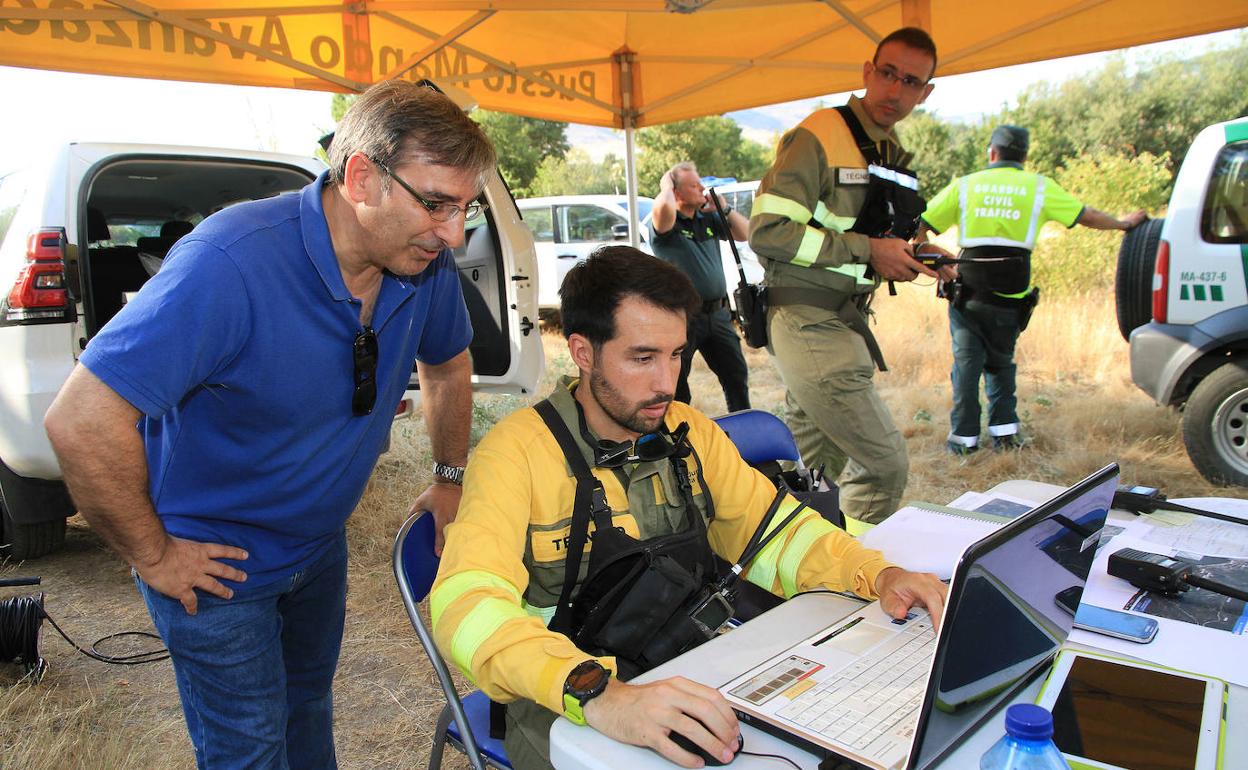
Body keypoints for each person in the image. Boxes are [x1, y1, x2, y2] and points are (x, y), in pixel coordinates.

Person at [43, 80, 493, 769]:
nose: (453, 233)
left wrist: (449, 477)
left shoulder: (419, 263)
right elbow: (81, 418)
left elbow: (450, 363)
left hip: (317, 548)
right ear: (363, 177)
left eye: (466, 208)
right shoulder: (230, 262)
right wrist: (155, 555)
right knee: (248, 750)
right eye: (436, 203)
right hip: (218, 570)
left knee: (307, 708)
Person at [430, 246, 947, 770]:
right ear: (583, 352)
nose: (666, 384)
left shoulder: (688, 432)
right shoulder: (515, 453)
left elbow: (779, 536)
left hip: (692, 662)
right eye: (643, 357)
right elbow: (464, 608)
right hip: (564, 698)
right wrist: (599, 693)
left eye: (676, 354)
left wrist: (878, 575)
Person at [748, 27, 951, 534]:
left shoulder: (889, 148)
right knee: (883, 465)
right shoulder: (820, 134)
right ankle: (844, 571)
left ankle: (769, 564)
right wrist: (869, 251)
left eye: (911, 82)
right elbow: (767, 232)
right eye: (888, 74)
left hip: (842, 323)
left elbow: (885, 226)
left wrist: (924, 252)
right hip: (808, 321)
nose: (895, 90)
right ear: (868, 72)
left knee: (801, 475)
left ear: (925, 93)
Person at [918, 125, 1147, 454]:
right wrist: (1123, 223)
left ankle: (963, 440)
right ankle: (1005, 436)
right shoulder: (1039, 187)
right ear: (1024, 157)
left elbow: (920, 226)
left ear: (991, 153)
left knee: (966, 365)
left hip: (967, 293)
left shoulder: (966, 185)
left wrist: (936, 261)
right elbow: (1087, 216)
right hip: (1011, 294)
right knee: (1001, 363)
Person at [650, 162, 752, 412]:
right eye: (694, 185)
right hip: (683, 317)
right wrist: (666, 186)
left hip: (717, 314)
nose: (702, 189)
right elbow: (663, 209)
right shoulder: (668, 225)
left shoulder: (708, 220)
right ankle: (679, 437)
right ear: (677, 192)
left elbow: (746, 233)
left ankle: (743, 433)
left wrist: (724, 208)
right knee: (677, 385)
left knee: (736, 377)